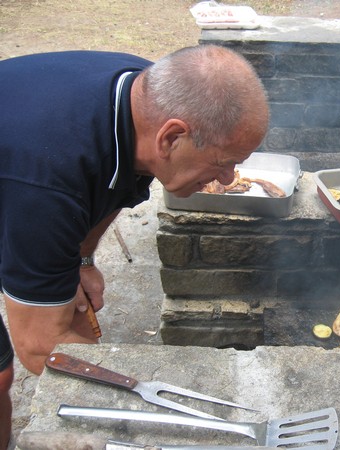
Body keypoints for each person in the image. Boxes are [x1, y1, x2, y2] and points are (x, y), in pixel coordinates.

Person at [0, 44, 269, 448]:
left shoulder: (148, 99)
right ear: (173, 137)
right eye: (223, 162)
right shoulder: (48, 189)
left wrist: (83, 259)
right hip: (22, 177)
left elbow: (117, 184)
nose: (229, 179)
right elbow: (39, 348)